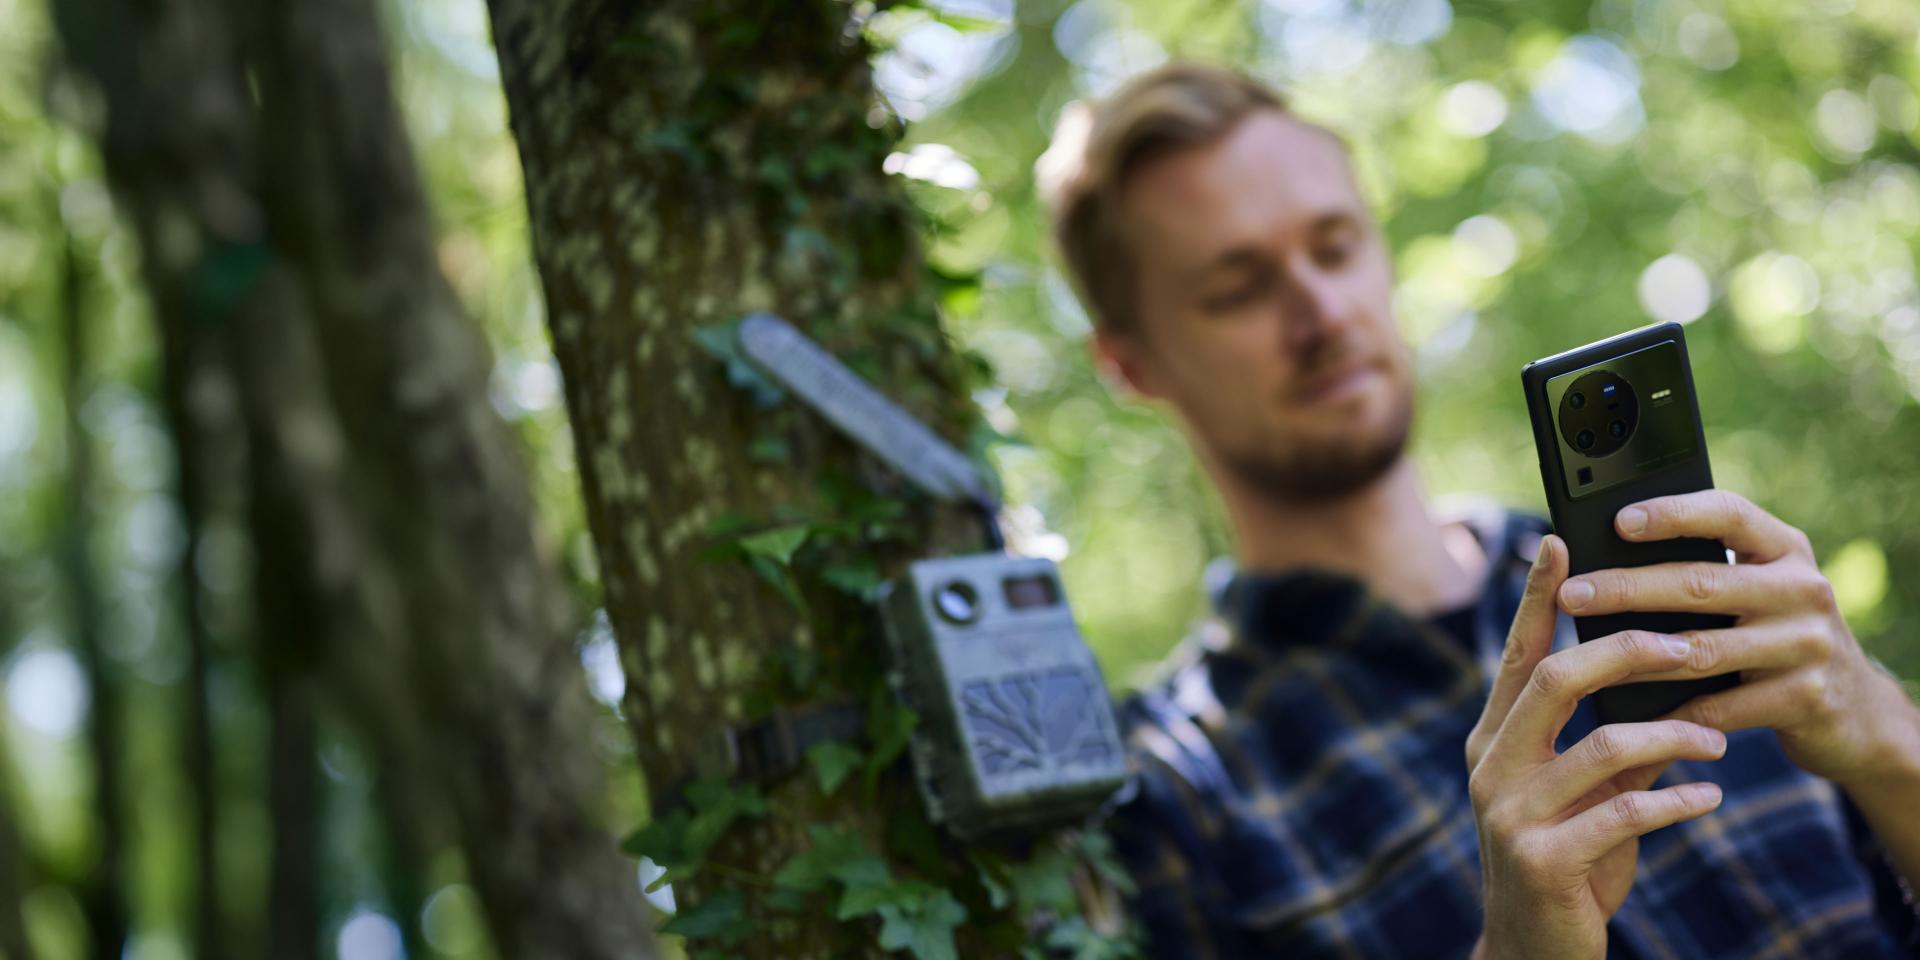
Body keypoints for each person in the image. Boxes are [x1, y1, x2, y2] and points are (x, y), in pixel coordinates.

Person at [1037, 62, 1920, 958]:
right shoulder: (1176, 797)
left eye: (1336, 247)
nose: (1323, 311)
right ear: (1132, 364)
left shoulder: (1693, 582)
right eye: (1238, 290)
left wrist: (1890, 742)